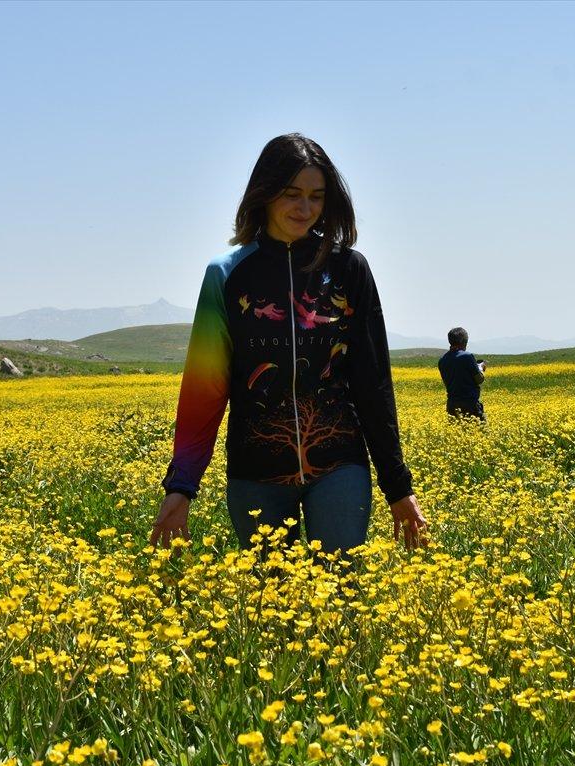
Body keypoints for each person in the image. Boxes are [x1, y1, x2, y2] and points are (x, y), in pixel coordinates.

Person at [150, 133, 427, 557]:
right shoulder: (227, 275)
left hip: (340, 464)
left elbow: (373, 384)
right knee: (272, 605)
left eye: (316, 197)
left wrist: (398, 487)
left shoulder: (350, 269)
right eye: (292, 194)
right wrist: (181, 486)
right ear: (264, 194)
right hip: (256, 471)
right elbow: (205, 390)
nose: (305, 209)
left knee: (340, 598)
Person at [438, 327, 487, 421]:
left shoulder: (442, 360)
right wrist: (480, 368)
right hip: (470, 404)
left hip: (451, 405)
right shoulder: (467, 357)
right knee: (480, 432)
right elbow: (479, 380)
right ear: (463, 341)